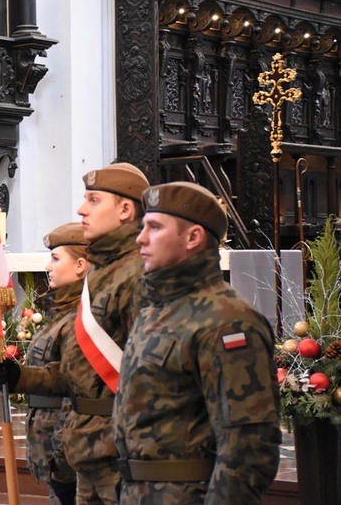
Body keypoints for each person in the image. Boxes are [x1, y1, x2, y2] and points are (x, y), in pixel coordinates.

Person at [113, 182, 281, 504]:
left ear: (193, 238)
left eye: (155, 227)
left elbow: (248, 445)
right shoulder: (157, 309)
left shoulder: (227, 320)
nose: (140, 238)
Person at [0, 163, 149, 504]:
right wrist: (21, 377)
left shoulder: (137, 275)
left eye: (93, 200)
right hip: (89, 448)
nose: (81, 209)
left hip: (120, 452)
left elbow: (150, 376)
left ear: (125, 209)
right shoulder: (104, 276)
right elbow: (81, 374)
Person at [25, 222, 88, 505]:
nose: (48, 266)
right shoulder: (63, 312)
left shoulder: (82, 317)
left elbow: (73, 387)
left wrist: (62, 455)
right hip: (52, 447)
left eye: (56, 258)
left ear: (80, 265)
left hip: (65, 452)